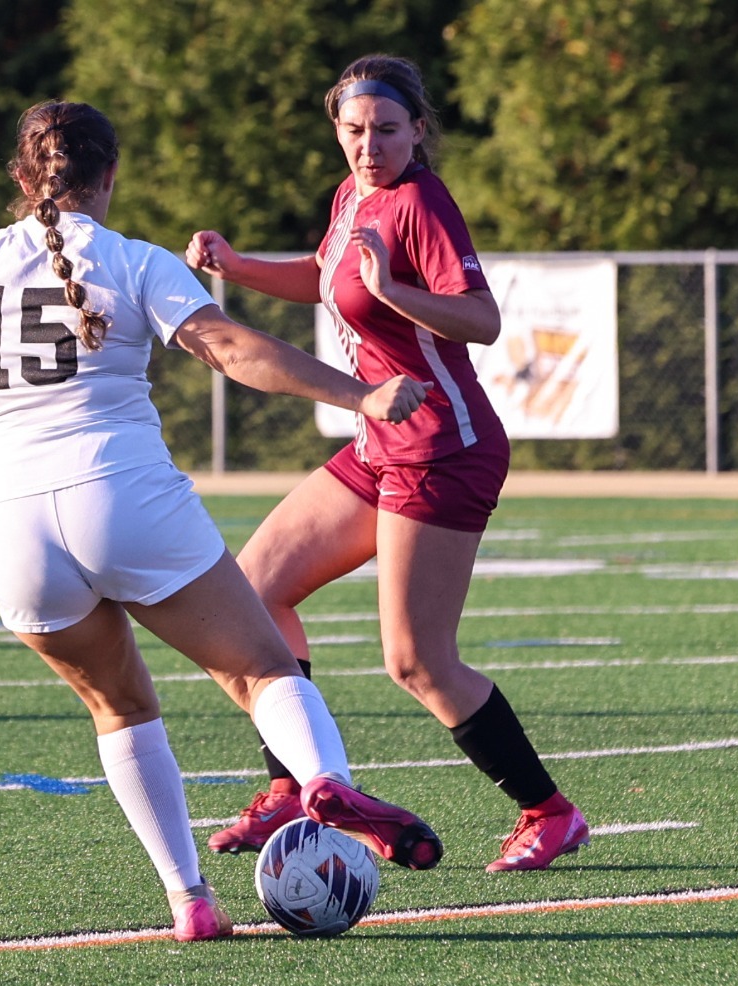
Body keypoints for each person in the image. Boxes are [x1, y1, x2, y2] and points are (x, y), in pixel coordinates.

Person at [0, 101, 444, 943]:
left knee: (119, 708)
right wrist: (361, 394)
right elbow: (230, 350)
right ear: (111, 176)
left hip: (9, 523)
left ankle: (188, 898)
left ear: (20, 179)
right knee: (264, 670)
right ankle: (324, 780)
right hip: (120, 495)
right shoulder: (132, 260)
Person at [185, 56, 590, 871]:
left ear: (417, 132)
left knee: (415, 662)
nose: (369, 145)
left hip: (444, 451)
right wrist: (236, 266)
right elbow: (324, 278)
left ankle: (549, 811)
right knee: (253, 595)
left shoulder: (422, 202)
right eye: (355, 130)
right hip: (377, 445)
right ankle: (289, 790)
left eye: (387, 130)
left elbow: (480, 319)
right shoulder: (353, 195)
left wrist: (395, 289)